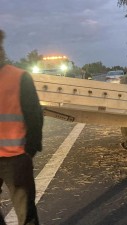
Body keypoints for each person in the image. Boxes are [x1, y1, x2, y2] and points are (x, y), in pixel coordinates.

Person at [0, 29, 43, 225]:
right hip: (16, 160)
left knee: (25, 213)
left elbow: (34, 116)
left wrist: (30, 150)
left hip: (16, 158)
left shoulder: (19, 77)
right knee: (26, 212)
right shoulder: (20, 77)